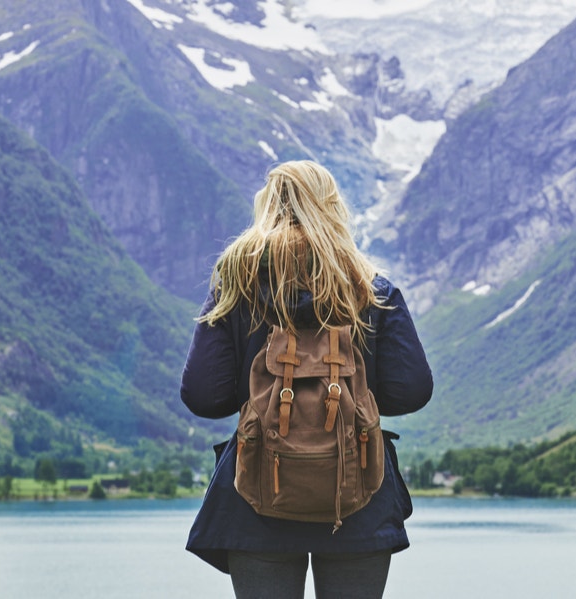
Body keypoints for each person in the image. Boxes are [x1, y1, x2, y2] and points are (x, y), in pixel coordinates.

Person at [180, 160, 433, 598]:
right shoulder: (372, 289)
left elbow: (204, 396)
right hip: (360, 494)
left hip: (258, 493)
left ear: (268, 208)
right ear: (332, 207)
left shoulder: (235, 286)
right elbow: (410, 390)